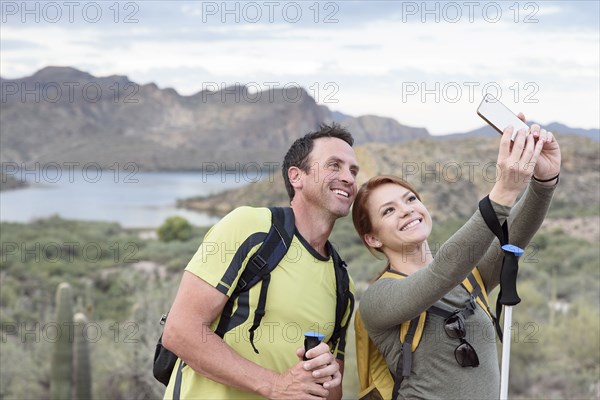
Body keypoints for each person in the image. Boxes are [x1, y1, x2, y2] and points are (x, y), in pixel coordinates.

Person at [352, 120, 561, 399]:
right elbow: (439, 275)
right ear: (373, 239)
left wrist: (543, 182)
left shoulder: (469, 277)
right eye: (388, 211)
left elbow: (512, 239)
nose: (406, 210)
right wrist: (503, 192)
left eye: (411, 199)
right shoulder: (378, 299)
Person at [162, 124, 359, 399]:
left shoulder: (343, 283)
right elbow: (180, 331)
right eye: (334, 165)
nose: (348, 178)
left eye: (353, 171)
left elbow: (331, 393)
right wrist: (275, 384)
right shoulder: (250, 227)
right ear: (296, 177)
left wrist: (328, 379)